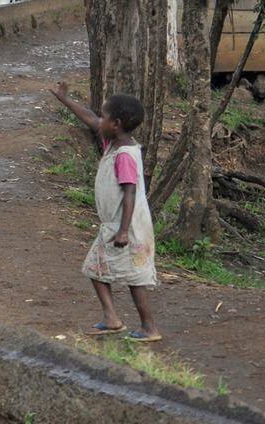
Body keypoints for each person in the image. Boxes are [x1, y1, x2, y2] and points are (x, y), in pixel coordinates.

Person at [51, 82, 161, 342]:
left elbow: (130, 192)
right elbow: (90, 120)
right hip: (116, 224)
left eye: (105, 116)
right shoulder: (114, 142)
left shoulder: (124, 154)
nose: (99, 119)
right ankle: (115, 318)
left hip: (126, 226)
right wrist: (65, 100)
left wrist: (123, 230)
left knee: (130, 277)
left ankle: (147, 327)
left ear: (116, 124)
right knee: (103, 270)